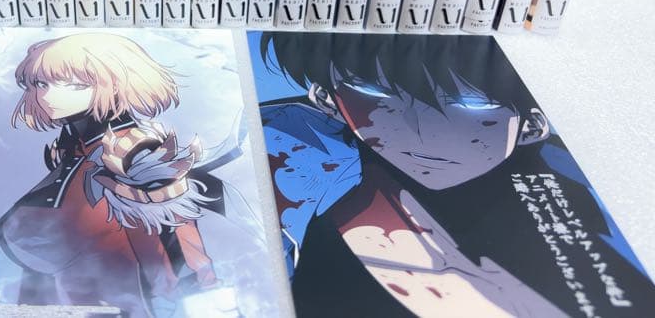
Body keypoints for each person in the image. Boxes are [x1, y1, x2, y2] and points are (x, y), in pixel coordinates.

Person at [257, 32, 654, 316]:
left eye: (470, 105)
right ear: (327, 100)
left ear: (532, 125)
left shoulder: (575, 206)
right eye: (376, 97)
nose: (420, 132)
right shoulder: (297, 159)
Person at [0, 33, 221, 316]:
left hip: (130, 303)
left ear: (116, 84)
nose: (49, 95)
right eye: (42, 84)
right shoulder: (73, 151)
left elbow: (180, 241)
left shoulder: (135, 149)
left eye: (76, 84)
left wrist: (198, 298)